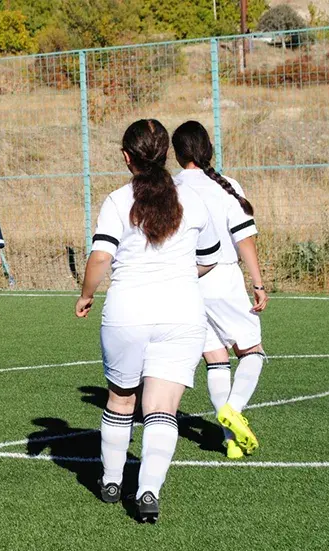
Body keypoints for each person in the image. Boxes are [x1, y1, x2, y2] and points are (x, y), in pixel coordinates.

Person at [75, 119, 221, 523]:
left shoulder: (117, 200)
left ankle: (109, 481)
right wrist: (177, 279)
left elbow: (101, 257)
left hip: (128, 312)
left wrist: (86, 295)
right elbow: (208, 258)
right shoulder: (193, 201)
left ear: (127, 157)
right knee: (162, 409)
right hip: (182, 314)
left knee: (122, 399)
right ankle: (148, 492)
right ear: (167, 154)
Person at [172, 121, 268, 459]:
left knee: (215, 359)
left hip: (187, 282)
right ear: (207, 148)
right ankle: (234, 408)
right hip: (222, 278)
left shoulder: (171, 187)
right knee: (252, 351)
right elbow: (244, 238)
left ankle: (229, 441)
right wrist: (257, 282)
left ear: (177, 153)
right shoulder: (225, 186)